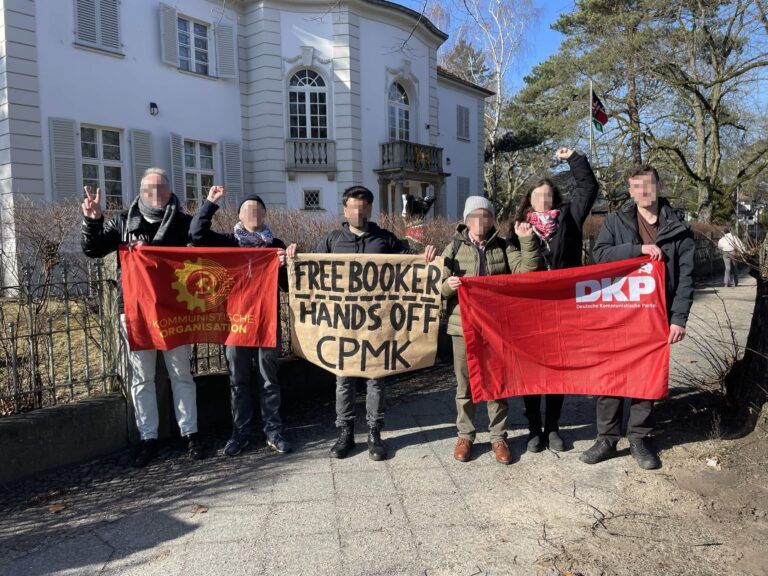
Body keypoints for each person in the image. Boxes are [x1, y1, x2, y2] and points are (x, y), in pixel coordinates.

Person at [285, 185, 436, 461]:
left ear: (370, 209)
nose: (358, 212)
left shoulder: (385, 239)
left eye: (364, 207)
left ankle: (375, 433)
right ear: (345, 210)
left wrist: (425, 254)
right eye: (354, 207)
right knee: (343, 381)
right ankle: (345, 433)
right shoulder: (332, 240)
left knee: (376, 381)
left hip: (377, 327)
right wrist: (294, 258)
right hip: (342, 327)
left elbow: (411, 265)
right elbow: (312, 272)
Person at [81, 168, 202, 468]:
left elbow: (205, 248)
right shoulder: (123, 221)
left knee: (181, 374)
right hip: (136, 310)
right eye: (149, 188)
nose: (155, 193)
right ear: (140, 191)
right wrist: (93, 221)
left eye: (161, 187)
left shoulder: (184, 223)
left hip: (174, 310)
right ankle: (148, 437)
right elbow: (93, 249)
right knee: (142, 377)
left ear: (170, 191)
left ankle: (190, 434)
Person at [582, 165, 694, 470]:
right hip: (617, 313)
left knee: (646, 377)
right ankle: (607, 438)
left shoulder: (678, 227)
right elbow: (599, 255)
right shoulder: (616, 221)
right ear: (630, 191)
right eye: (636, 186)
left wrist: (678, 318)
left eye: (648, 185)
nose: (643, 191)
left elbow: (686, 277)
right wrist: (638, 249)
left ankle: (639, 438)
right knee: (611, 376)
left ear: (658, 186)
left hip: (656, 317)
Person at [189, 186, 294, 457]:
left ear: (266, 214)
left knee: (269, 379)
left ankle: (273, 431)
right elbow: (196, 234)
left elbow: (287, 287)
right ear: (239, 216)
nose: (254, 213)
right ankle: (240, 432)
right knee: (238, 380)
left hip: (266, 321)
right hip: (234, 323)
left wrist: (286, 266)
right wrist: (210, 203)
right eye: (248, 209)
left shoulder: (275, 245)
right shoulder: (228, 242)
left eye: (258, 209)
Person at [510, 147, 599, 453]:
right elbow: (506, 267)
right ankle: (534, 429)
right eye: (538, 196)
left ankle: (553, 427)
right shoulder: (518, 228)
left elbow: (589, 188)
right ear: (529, 200)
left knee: (557, 368)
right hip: (529, 310)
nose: (544, 200)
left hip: (562, 307)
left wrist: (574, 159)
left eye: (548, 195)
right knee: (532, 369)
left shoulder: (569, 218)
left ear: (555, 198)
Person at [442, 195, 541, 465]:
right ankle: (465, 436)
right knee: (465, 386)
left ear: (492, 220)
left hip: (496, 328)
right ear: (466, 220)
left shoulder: (503, 246)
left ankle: (498, 437)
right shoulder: (453, 247)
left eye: (485, 215)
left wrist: (526, 241)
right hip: (462, 327)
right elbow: (437, 286)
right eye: (475, 216)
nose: (480, 221)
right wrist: (448, 287)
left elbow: (526, 272)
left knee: (496, 383)